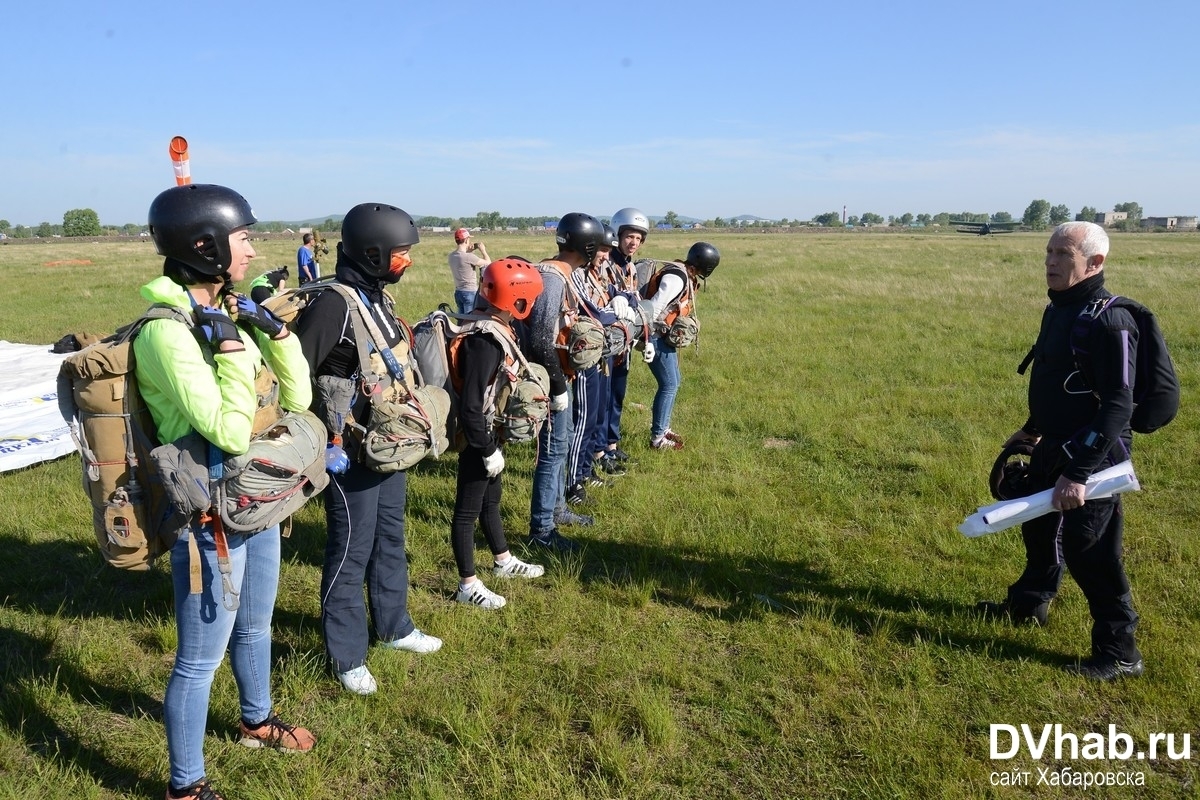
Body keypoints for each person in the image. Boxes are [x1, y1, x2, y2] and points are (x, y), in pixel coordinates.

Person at [139, 184, 316, 800]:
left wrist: (274, 332)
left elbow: (299, 400)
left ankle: (255, 720)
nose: (251, 249)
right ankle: (185, 785)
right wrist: (236, 349)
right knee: (199, 659)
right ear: (206, 246)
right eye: (242, 238)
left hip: (255, 499)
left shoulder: (224, 315)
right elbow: (227, 430)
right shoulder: (166, 333)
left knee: (258, 625)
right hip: (207, 512)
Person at [977, 221, 1148, 681]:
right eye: (1049, 252)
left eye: (1063, 255)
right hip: (1052, 445)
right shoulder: (1059, 309)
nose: (1050, 262)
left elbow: (1119, 405)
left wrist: (1079, 472)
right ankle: (1030, 603)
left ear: (1095, 263)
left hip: (1095, 456)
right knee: (1039, 528)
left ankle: (1120, 652)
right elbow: (1054, 378)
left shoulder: (1111, 320)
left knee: (1090, 550)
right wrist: (1032, 430)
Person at [294, 202, 442, 697]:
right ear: (372, 252)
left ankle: (395, 626)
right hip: (350, 452)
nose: (406, 261)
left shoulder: (376, 298)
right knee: (351, 549)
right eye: (400, 253)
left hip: (388, 446)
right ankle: (346, 654)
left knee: (390, 539)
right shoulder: (335, 303)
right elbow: (298, 375)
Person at [450, 258, 548, 609]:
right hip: (479, 434)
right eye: (530, 299)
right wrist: (487, 449)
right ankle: (467, 584)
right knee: (466, 510)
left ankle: (503, 560)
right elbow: (472, 407)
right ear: (516, 299)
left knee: (491, 501)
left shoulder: (494, 326)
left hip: (490, 433)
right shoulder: (485, 342)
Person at [522, 212, 608, 552]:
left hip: (558, 375)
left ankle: (557, 509)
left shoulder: (558, 273)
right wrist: (557, 389)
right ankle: (542, 528)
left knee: (562, 442)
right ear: (586, 247)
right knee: (552, 450)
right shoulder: (555, 279)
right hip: (550, 379)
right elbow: (543, 339)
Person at [640, 242, 720, 450]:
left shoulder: (684, 273)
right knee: (669, 385)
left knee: (674, 381)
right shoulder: (677, 277)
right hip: (657, 336)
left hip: (663, 337)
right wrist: (648, 338)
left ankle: (663, 427)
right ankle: (658, 438)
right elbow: (655, 306)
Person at [600, 207, 652, 471]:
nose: (634, 243)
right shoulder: (605, 263)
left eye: (639, 239)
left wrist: (646, 337)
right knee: (604, 397)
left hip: (625, 340)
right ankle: (599, 451)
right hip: (607, 339)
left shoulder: (631, 267)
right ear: (618, 234)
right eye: (630, 236)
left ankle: (612, 443)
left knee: (618, 395)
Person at [448, 227, 489, 314]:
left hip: (458, 292)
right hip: (470, 292)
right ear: (466, 240)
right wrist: (483, 251)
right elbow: (488, 263)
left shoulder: (451, 256)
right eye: (469, 239)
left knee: (461, 320)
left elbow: (463, 262)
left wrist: (469, 251)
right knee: (469, 321)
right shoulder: (468, 257)